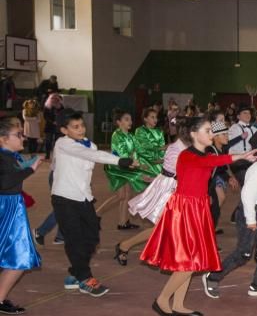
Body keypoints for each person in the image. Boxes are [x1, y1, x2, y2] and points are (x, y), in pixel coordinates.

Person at [141, 116, 257, 316]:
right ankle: (162, 299)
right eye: (207, 130)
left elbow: (212, 163)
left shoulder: (205, 152)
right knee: (189, 261)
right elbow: (210, 162)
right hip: (184, 210)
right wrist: (238, 156)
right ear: (194, 134)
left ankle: (178, 304)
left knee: (191, 260)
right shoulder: (187, 155)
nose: (211, 133)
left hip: (198, 207)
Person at [51, 111, 137, 297]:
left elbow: (93, 153)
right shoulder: (63, 143)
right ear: (64, 130)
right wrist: (118, 160)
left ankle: (75, 273)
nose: (81, 129)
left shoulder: (91, 144)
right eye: (75, 127)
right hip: (64, 198)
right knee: (74, 239)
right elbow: (92, 155)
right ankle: (85, 278)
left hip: (84, 198)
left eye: (82, 125)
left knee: (92, 238)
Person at [203, 129, 257, 299]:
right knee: (244, 253)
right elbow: (247, 195)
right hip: (249, 212)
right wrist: (251, 220)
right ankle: (212, 277)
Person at [113, 124, 190, 266]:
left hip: (179, 190)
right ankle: (126, 245)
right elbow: (173, 172)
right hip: (170, 191)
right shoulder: (177, 149)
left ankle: (127, 246)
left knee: (172, 227)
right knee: (165, 226)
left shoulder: (191, 148)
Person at [0, 117, 43, 315]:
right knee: (18, 257)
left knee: (11, 256)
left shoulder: (8, 156)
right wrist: (30, 169)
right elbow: (6, 182)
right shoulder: (4, 157)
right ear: (3, 139)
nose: (22, 137)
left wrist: (28, 163)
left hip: (10, 206)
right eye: (18, 135)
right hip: (7, 208)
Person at [97, 110, 151, 230]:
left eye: (130, 119)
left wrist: (148, 158)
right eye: (126, 119)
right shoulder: (117, 135)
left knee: (126, 195)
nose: (130, 122)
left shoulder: (131, 136)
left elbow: (139, 150)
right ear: (118, 122)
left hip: (127, 167)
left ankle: (123, 222)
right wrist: (135, 164)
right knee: (121, 196)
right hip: (117, 167)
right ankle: (97, 214)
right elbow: (121, 153)